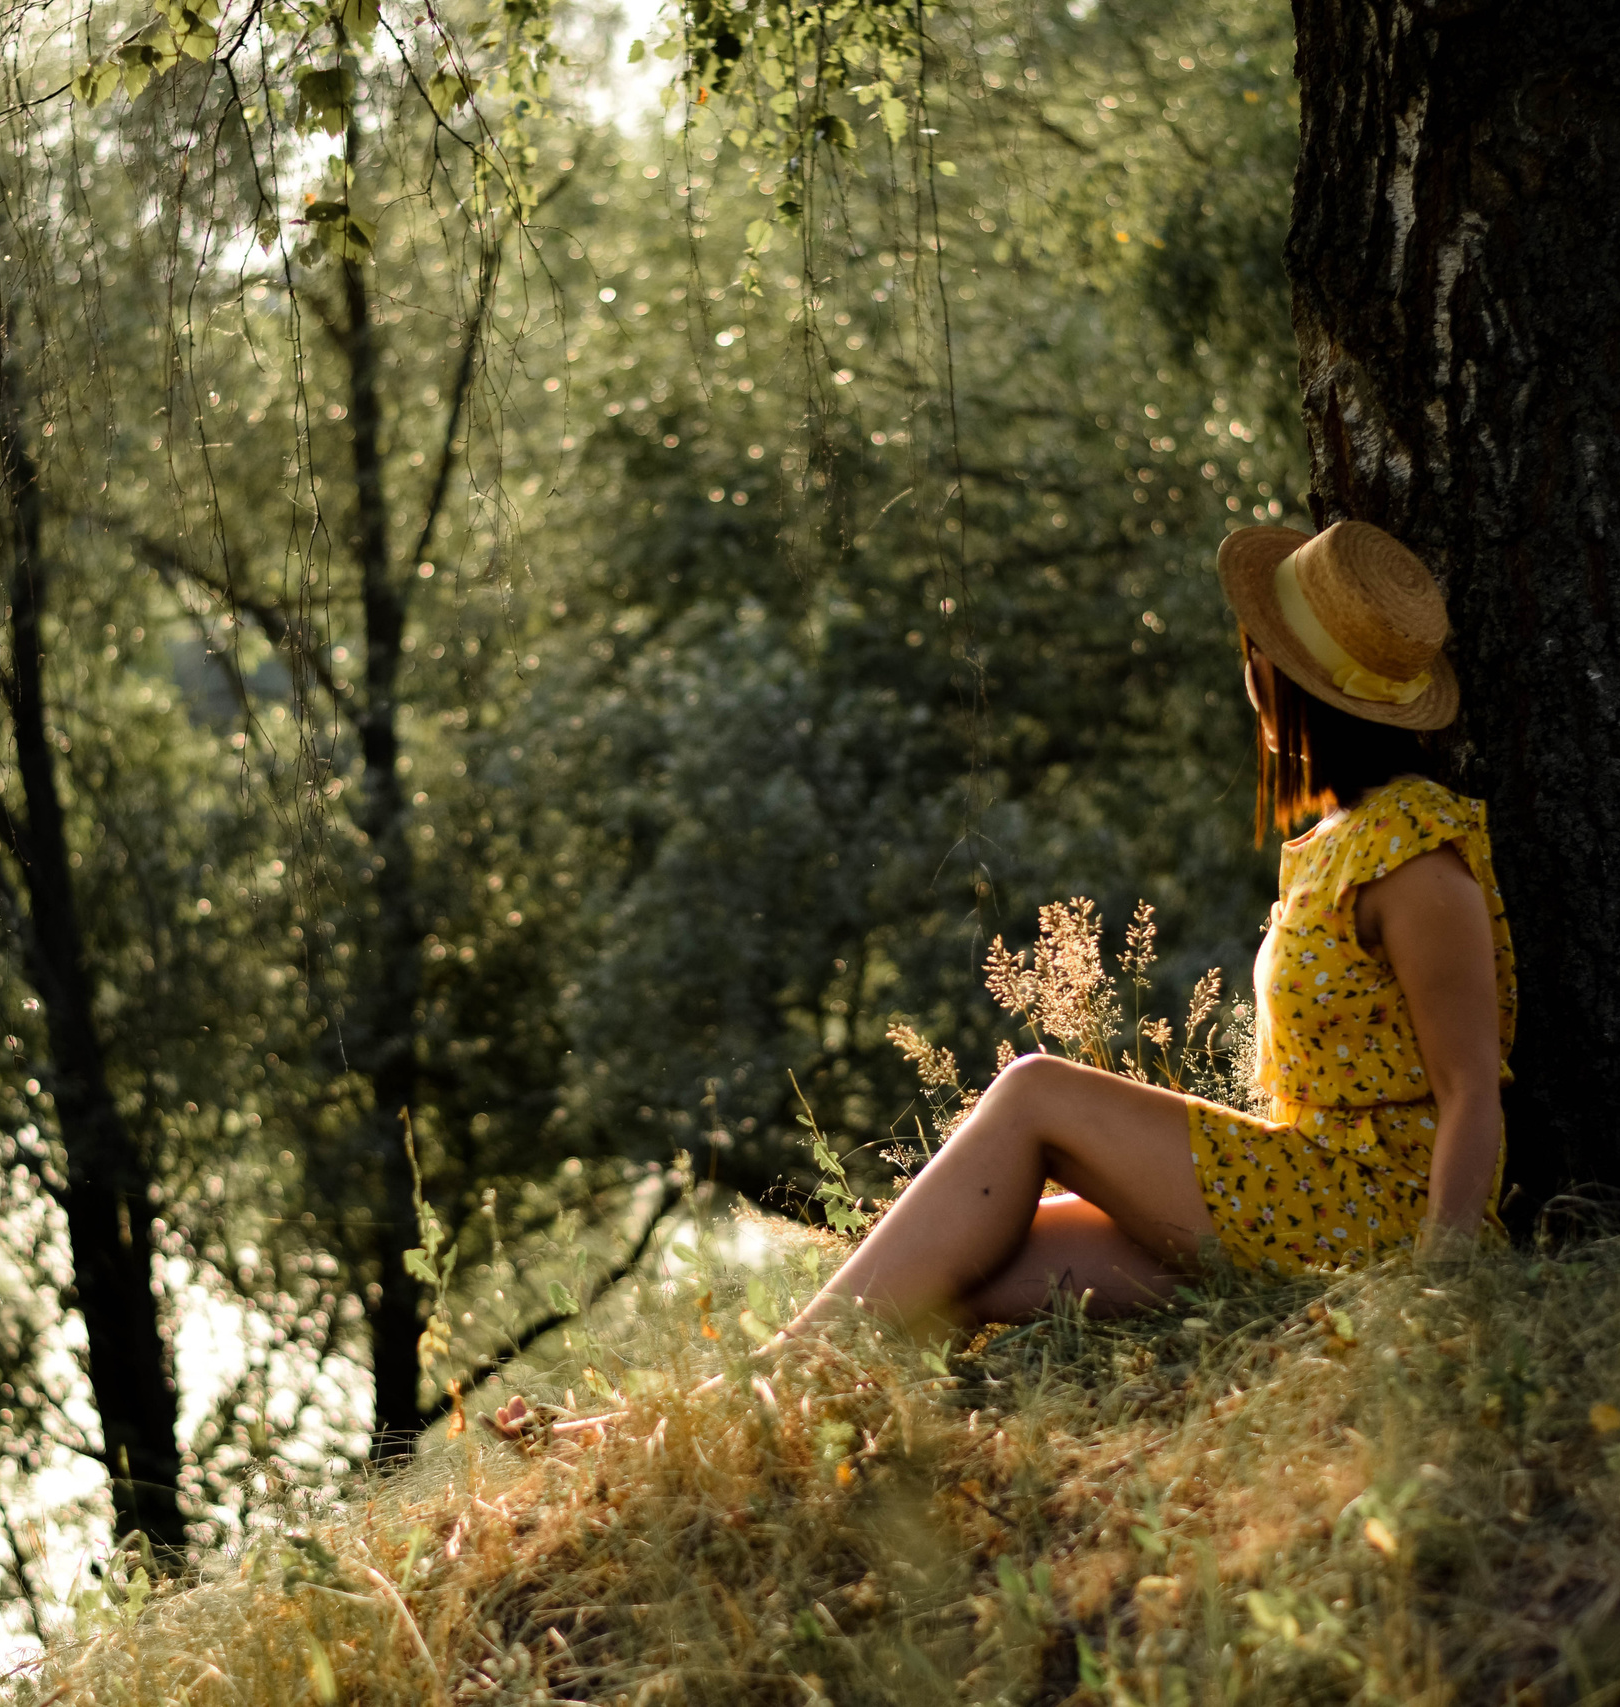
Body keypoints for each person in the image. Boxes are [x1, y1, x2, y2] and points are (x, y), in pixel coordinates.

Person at [495, 519, 1513, 1440]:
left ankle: (708, 1414)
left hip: (1363, 1215)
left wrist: (1436, 1287)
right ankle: (703, 1427)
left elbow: (1469, 1089)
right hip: (1305, 1196)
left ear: (1280, 675)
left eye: (1256, 650)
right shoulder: (1334, 843)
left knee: (1034, 1088)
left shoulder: (1412, 855)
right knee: (965, 1266)